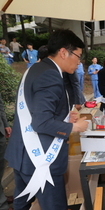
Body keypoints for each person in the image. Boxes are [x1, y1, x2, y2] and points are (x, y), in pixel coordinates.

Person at [5, 29, 89, 210]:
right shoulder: (51, 76)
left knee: (21, 203)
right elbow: (41, 122)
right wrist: (74, 127)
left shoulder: (36, 69)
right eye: (78, 55)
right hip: (40, 159)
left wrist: (66, 117)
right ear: (63, 52)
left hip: (21, 154)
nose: (79, 62)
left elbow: (34, 108)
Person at [0, 93, 12, 210]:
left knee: (1, 166)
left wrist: (5, 124)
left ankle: (1, 196)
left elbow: (0, 105)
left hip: (0, 132)